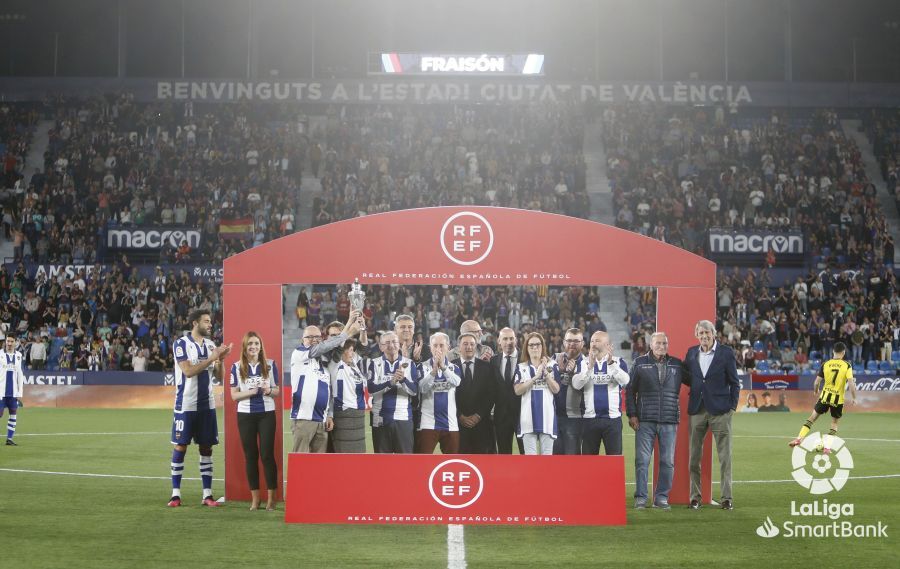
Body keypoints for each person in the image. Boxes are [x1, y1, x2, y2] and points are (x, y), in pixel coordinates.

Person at [167, 309, 233, 507]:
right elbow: (188, 371)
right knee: (181, 446)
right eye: (206, 321)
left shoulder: (211, 346)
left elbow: (219, 379)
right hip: (185, 404)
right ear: (195, 323)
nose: (210, 324)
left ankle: (207, 495)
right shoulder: (181, 344)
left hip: (207, 405)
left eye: (210, 321)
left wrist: (221, 360)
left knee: (206, 448)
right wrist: (212, 359)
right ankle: (175, 495)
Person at [682, 320, 740, 510]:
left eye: (707, 333)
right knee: (694, 457)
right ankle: (695, 498)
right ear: (696, 335)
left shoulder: (726, 353)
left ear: (714, 334)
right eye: (701, 333)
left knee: (725, 457)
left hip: (721, 411)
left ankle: (726, 498)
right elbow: (685, 376)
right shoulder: (691, 353)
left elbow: (734, 382)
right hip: (697, 410)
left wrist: (731, 407)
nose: (704, 336)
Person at [289, 310, 361, 453]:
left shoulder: (324, 363)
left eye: (317, 336)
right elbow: (323, 347)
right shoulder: (300, 354)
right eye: (309, 337)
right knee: (301, 462)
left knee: (318, 465)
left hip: (321, 421)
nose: (314, 339)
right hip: (304, 419)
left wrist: (329, 415)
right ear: (302, 339)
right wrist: (348, 331)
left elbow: (328, 392)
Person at [626, 332, 684, 510]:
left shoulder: (676, 364)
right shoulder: (640, 363)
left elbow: (695, 381)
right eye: (658, 343)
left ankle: (661, 498)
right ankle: (641, 498)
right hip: (645, 420)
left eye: (665, 343)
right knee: (642, 461)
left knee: (668, 461)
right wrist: (632, 415)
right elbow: (629, 391)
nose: (662, 346)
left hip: (669, 420)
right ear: (650, 344)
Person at [229, 331, 279, 511]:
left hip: (267, 413)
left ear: (261, 346)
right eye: (250, 343)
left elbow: (277, 391)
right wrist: (253, 391)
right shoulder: (236, 367)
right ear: (245, 346)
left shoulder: (271, 364)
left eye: (256, 343)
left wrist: (267, 390)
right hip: (245, 415)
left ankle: (271, 499)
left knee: (266, 455)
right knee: (250, 456)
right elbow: (234, 396)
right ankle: (255, 499)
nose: (253, 347)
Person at [789, 342, 857, 454]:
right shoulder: (847, 365)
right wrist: (854, 397)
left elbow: (816, 382)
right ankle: (827, 447)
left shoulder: (826, 364)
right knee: (834, 423)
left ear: (833, 352)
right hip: (838, 399)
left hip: (825, 396)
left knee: (812, 418)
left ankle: (799, 439)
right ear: (843, 353)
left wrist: (816, 390)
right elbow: (851, 384)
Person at [573, 331, 630, 455]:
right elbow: (576, 385)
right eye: (592, 340)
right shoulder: (583, 363)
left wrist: (611, 364)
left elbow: (626, 382)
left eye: (597, 341)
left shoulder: (618, 362)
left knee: (614, 461)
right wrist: (589, 368)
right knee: (589, 464)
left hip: (612, 420)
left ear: (608, 345)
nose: (593, 344)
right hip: (590, 420)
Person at [367, 331, 418, 453]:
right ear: (381, 346)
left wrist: (403, 379)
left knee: (405, 462)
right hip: (380, 419)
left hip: (403, 418)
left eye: (394, 342)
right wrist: (390, 383)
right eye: (387, 342)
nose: (391, 345)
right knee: (382, 463)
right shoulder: (374, 364)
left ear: (399, 344)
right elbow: (371, 390)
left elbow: (414, 391)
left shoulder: (409, 364)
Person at [514, 332, 560, 455]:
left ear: (542, 346)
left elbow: (556, 389)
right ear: (527, 348)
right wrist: (535, 377)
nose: (535, 347)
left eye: (537, 344)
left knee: (547, 459)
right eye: (531, 345)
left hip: (547, 418)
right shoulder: (521, 367)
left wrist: (546, 375)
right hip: (527, 419)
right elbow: (517, 391)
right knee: (530, 460)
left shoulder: (552, 365)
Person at [416, 332, 462, 454]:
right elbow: (421, 388)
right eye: (435, 345)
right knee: (423, 463)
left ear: (448, 347)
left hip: (450, 423)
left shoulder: (454, 367)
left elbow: (456, 382)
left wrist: (443, 368)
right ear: (430, 348)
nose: (438, 349)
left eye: (441, 345)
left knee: (452, 463)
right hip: (428, 423)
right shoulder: (422, 367)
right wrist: (433, 372)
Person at [453, 333, 497, 453]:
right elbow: (449, 396)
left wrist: (478, 415)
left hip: (482, 425)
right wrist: (460, 416)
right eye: (465, 344)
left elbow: (491, 395)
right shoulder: (450, 366)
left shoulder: (486, 367)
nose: (469, 347)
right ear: (459, 347)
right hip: (458, 425)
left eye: (472, 344)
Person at [552, 328, 586, 455]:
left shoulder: (587, 363)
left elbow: (588, 390)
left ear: (582, 343)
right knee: (554, 462)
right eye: (569, 340)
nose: (572, 344)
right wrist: (558, 373)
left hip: (575, 418)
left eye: (576, 341)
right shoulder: (554, 359)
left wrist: (574, 374)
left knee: (572, 461)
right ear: (564, 342)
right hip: (553, 418)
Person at [330, 339, 368, 453]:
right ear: (343, 351)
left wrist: (362, 330)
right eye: (350, 350)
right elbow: (338, 349)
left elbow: (363, 346)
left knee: (359, 453)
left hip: (359, 414)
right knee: (344, 453)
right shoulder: (337, 366)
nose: (353, 353)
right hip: (344, 414)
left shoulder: (355, 366)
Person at [490, 327, 523, 454]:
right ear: (499, 341)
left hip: (522, 415)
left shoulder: (525, 358)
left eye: (511, 338)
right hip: (501, 416)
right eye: (505, 339)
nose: (508, 342)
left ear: (516, 340)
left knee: (526, 453)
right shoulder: (493, 361)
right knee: (504, 454)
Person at [1, 336, 25, 446]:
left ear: (15, 342)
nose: (9, 343)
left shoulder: (19, 356)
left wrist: (20, 393)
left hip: (13, 392)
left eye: (12, 341)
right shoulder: (0, 354)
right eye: (8, 341)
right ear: (5, 342)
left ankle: (9, 439)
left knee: (13, 414)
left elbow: (20, 375)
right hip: (1, 392)